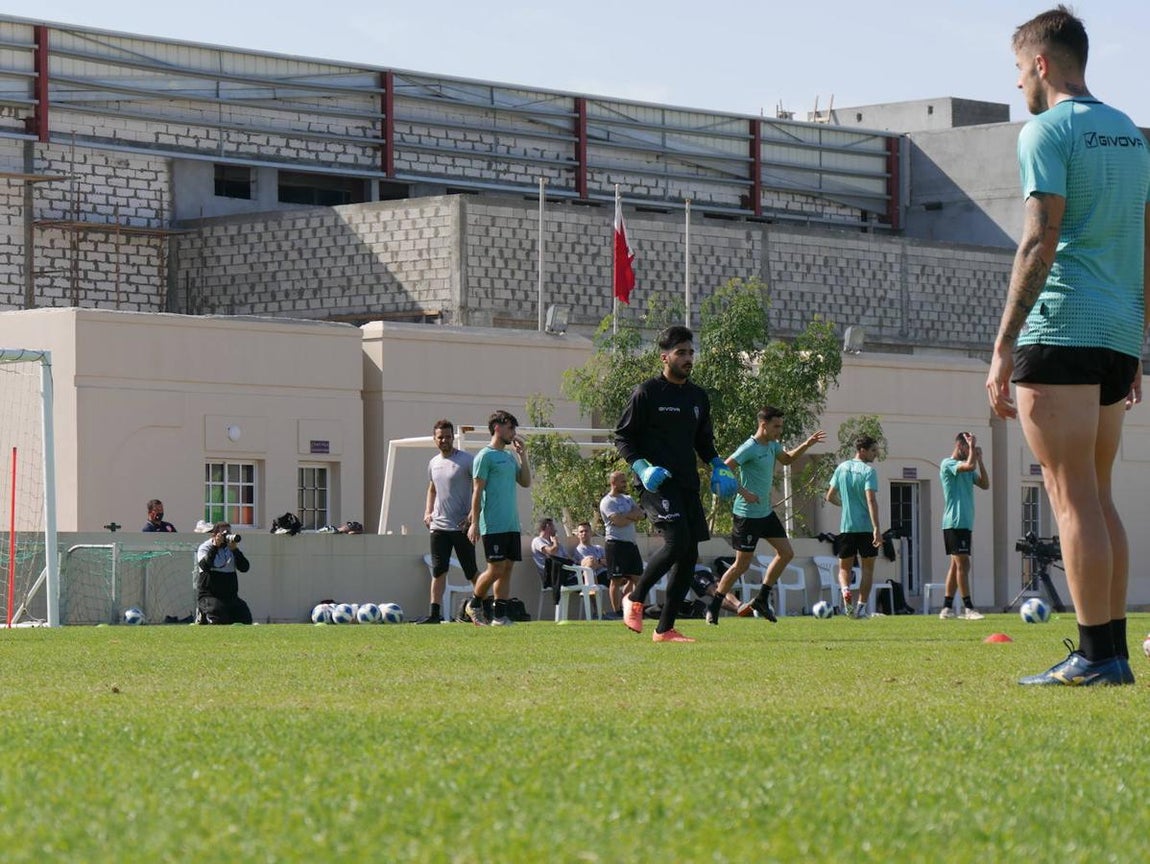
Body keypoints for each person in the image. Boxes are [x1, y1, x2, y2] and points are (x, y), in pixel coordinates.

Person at [987, 7, 1149, 686]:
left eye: (1019, 70)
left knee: (1067, 492)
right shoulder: (1131, 136)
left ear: (1042, 64)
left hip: (1060, 331)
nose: (1019, 82)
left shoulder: (1046, 131)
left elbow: (1039, 239)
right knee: (1098, 494)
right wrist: (1139, 340)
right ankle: (1109, 653)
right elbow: (1144, 241)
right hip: (1116, 334)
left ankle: (1092, 654)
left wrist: (1001, 345)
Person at [614, 324, 738, 643]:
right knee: (675, 541)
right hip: (656, 483)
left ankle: (664, 629)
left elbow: (704, 442)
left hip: (687, 483)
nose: (687, 358)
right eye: (681, 352)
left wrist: (717, 465)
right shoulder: (647, 392)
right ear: (664, 357)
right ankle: (635, 597)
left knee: (689, 553)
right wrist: (642, 468)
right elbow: (623, 437)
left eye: (690, 352)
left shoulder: (698, 397)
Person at [705, 407, 826, 624]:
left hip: (765, 513)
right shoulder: (749, 448)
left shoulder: (772, 445)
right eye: (776, 426)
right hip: (747, 515)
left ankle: (761, 598)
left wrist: (807, 445)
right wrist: (744, 493)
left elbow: (787, 459)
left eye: (780, 426)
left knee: (786, 553)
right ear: (764, 425)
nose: (779, 430)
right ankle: (714, 606)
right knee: (741, 565)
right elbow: (724, 469)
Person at [464, 410, 531, 626]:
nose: (514, 433)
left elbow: (525, 481)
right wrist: (474, 522)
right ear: (497, 427)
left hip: (511, 523)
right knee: (496, 569)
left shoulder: (509, 456)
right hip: (492, 524)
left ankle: (499, 616)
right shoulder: (485, 456)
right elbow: (476, 491)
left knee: (508, 568)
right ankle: (474, 603)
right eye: (510, 428)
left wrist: (523, 456)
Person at [420, 419, 479, 624]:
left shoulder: (466, 461)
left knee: (471, 571)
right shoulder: (433, 463)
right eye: (440, 437)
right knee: (439, 571)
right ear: (434, 439)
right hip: (439, 527)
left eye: (447, 436)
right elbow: (432, 489)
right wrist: (428, 512)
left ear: (452, 437)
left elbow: (479, 488)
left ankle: (485, 607)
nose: (444, 440)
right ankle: (435, 614)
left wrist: (473, 514)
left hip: (461, 527)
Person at [825, 435, 883, 619]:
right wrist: (877, 528)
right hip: (866, 527)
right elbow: (871, 499)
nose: (876, 454)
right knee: (867, 569)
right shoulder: (868, 471)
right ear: (862, 450)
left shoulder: (841, 468)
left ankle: (845, 592)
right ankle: (861, 608)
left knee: (844, 569)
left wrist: (846, 505)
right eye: (873, 450)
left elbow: (830, 496)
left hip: (847, 528)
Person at [938, 432, 990, 620]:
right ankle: (968, 608)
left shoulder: (969, 469)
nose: (972, 451)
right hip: (954, 522)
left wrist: (980, 460)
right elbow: (968, 465)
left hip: (965, 523)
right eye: (969, 447)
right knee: (964, 564)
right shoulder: (948, 464)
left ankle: (946, 608)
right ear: (960, 446)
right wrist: (972, 457)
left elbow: (985, 484)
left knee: (955, 565)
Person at [599, 470, 645, 618]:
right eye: (622, 481)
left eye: (625, 481)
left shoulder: (628, 499)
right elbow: (618, 522)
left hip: (631, 544)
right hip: (615, 545)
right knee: (616, 579)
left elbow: (641, 514)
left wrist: (627, 517)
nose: (625, 484)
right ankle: (617, 611)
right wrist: (632, 517)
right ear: (613, 483)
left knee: (638, 578)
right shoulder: (607, 502)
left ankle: (636, 609)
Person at [195, 522, 252, 624]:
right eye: (224, 533)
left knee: (245, 617)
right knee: (219, 619)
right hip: (210, 595)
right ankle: (202, 615)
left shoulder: (231, 548)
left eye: (229, 532)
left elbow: (245, 568)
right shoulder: (205, 547)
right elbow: (204, 566)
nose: (227, 536)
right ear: (214, 535)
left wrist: (235, 550)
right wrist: (215, 547)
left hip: (230, 596)